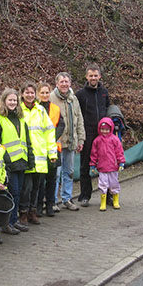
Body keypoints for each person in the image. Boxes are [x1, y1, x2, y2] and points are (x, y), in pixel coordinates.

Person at [0, 88, 34, 234]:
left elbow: (27, 141)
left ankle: (14, 220)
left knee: (18, 193)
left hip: (21, 162)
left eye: (15, 100)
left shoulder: (21, 120)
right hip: (7, 164)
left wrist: (30, 160)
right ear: (4, 101)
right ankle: (7, 223)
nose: (13, 103)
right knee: (12, 193)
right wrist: (6, 160)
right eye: (10, 100)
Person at [18, 82, 57, 226]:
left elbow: (49, 132)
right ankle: (23, 212)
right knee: (26, 188)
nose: (29, 95)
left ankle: (32, 212)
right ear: (22, 94)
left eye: (32, 93)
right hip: (25, 155)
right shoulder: (18, 110)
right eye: (26, 92)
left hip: (40, 156)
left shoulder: (40, 110)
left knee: (36, 187)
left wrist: (52, 153)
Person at [49, 72, 85, 211]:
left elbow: (79, 119)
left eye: (66, 81)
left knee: (69, 172)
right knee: (55, 174)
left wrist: (80, 139)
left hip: (71, 142)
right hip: (56, 143)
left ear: (70, 83)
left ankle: (67, 199)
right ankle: (53, 201)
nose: (64, 84)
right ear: (57, 83)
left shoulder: (73, 98)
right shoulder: (51, 98)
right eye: (61, 82)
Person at [76, 63, 110, 207]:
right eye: (91, 75)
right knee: (85, 166)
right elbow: (77, 115)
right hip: (87, 134)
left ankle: (108, 195)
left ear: (100, 76)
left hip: (103, 135)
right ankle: (85, 195)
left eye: (95, 75)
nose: (93, 78)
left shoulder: (104, 92)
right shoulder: (80, 94)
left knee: (106, 165)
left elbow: (108, 110)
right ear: (86, 77)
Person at [36, 82, 64, 217]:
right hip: (39, 150)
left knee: (52, 179)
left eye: (47, 92)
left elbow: (61, 125)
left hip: (54, 148)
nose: (45, 95)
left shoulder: (56, 109)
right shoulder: (34, 109)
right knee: (40, 180)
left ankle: (50, 205)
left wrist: (52, 137)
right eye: (42, 93)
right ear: (38, 94)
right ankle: (38, 206)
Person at [89, 117, 125, 211]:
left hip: (113, 166)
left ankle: (115, 200)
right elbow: (94, 153)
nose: (104, 131)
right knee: (102, 184)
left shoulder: (115, 139)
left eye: (106, 129)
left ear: (111, 129)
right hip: (102, 167)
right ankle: (103, 202)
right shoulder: (97, 140)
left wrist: (121, 162)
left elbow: (119, 152)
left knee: (114, 184)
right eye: (102, 129)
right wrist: (93, 164)